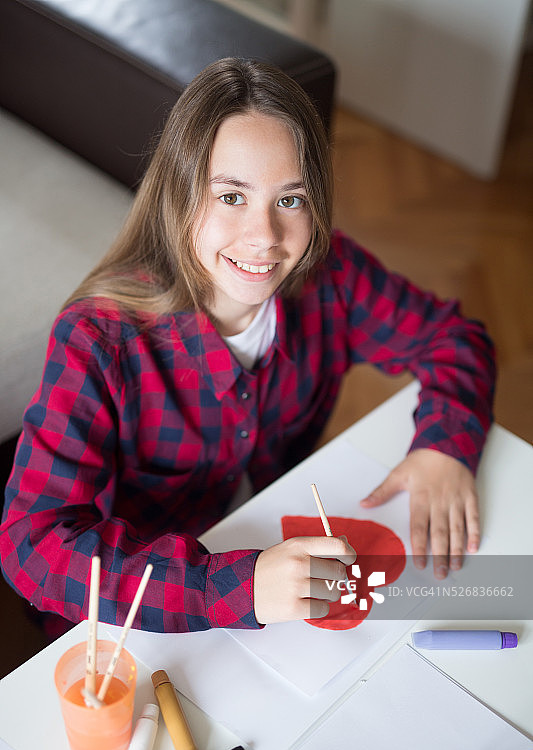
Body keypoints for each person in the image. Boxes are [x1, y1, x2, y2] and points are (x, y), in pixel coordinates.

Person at [0, 58, 495, 633]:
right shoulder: (99, 338)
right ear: (179, 196)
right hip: (144, 613)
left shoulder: (332, 278)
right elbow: (31, 544)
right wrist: (235, 589)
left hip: (282, 553)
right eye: (231, 196)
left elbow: (453, 338)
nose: (264, 237)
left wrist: (444, 446)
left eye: (290, 199)